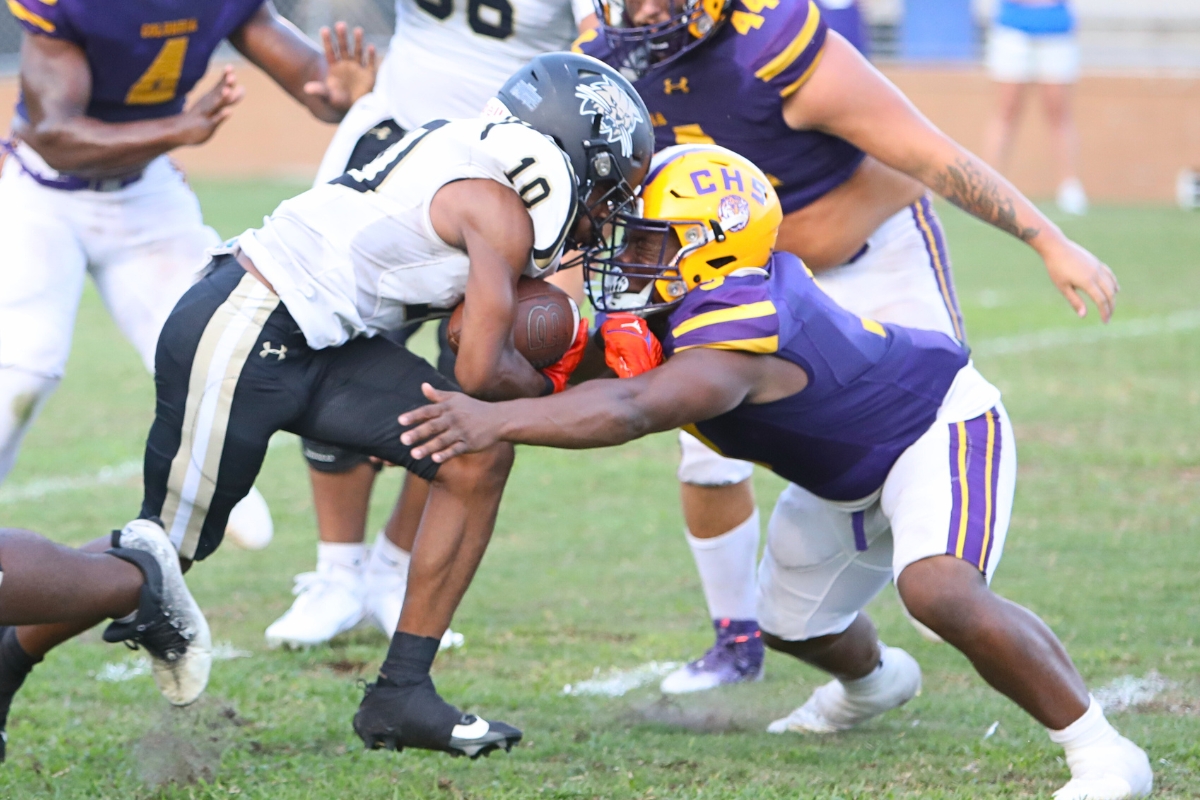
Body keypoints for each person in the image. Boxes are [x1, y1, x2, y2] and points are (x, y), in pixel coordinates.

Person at [396, 145, 1153, 800]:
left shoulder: (738, 322)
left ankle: (1101, 751)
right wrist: (508, 355)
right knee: (792, 624)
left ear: (710, 249)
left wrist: (491, 421)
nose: (627, 255)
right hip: (846, 473)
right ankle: (876, 684)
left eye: (652, 242)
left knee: (937, 589)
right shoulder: (676, 304)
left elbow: (633, 407)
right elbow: (585, 375)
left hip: (935, 427)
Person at [0, 52, 653, 761]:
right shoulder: (496, 208)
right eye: (604, 189)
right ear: (561, 157)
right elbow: (478, 369)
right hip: (247, 324)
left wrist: (563, 362)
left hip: (314, 337)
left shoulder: (471, 159)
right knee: (157, 561)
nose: (602, 215)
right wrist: (559, 379)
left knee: (477, 451)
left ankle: (402, 691)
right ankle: (8, 657)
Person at [574, 0, 1118, 693]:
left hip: (867, 254)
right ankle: (738, 636)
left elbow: (926, 152)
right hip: (724, 265)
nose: (641, 11)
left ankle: (940, 565)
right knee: (702, 442)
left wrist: (1047, 238)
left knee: (924, 421)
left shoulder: (768, 44)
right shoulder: (601, 51)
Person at [264, 0, 601, 652]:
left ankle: (393, 569)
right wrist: (355, 101)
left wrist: (569, 248)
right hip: (394, 139)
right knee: (338, 345)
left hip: (519, 181)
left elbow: (600, 53)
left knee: (467, 387)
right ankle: (337, 572)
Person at [0, 0, 380, 546]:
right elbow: (55, 138)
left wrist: (343, 93)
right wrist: (179, 127)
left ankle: (199, 490)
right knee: (23, 371)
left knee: (214, 348)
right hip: (45, 195)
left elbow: (317, 87)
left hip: (145, 192)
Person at [982, 0, 1087, 215]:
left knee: (1058, 111)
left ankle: (1069, 187)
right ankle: (987, 189)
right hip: (1013, 28)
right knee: (1006, 110)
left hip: (1056, 30)